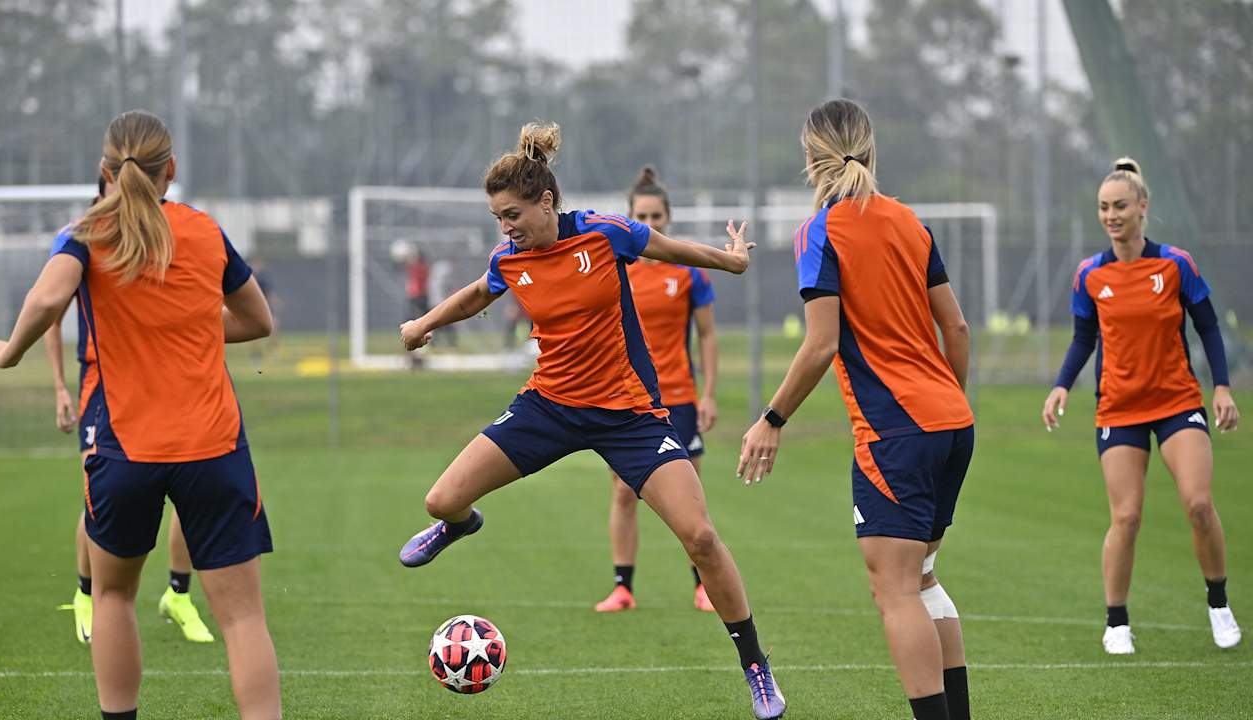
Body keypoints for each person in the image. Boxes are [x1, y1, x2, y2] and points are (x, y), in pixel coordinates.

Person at [397, 121, 785, 719]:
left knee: (702, 538)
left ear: (546, 202)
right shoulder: (510, 257)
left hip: (629, 415)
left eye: (512, 214)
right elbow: (479, 293)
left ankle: (756, 667)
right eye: (498, 217)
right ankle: (459, 526)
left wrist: (731, 263)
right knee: (440, 500)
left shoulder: (605, 234)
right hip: (548, 407)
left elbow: (674, 251)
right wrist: (424, 323)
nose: (505, 227)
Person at [0, 110, 280, 720]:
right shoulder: (203, 230)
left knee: (113, 596)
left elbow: (46, 296)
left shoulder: (87, 232)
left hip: (123, 451)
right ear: (171, 169)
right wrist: (193, 326)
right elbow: (257, 321)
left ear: (105, 171)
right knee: (244, 616)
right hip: (213, 448)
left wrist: (7, 352)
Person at [738, 99, 974, 720]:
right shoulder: (910, 221)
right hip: (952, 423)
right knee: (922, 580)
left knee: (893, 591)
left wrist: (772, 418)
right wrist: (949, 404)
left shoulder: (819, 232)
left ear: (810, 159)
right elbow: (958, 328)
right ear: (870, 150)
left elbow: (821, 343)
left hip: (896, 434)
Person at [1042, 157, 1241, 654]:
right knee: (1126, 517)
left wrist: (1221, 386)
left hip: (1177, 402)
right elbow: (1083, 337)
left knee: (1198, 504)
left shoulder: (1175, 263)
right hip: (1118, 408)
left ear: (1142, 207)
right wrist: (1062, 384)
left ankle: (1218, 603)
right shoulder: (1090, 274)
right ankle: (1116, 622)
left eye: (1120, 206)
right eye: (1104, 208)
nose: (1111, 215)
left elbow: (1209, 327)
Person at [47, 177, 214, 646]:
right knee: (101, 497)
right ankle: (88, 594)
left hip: (169, 389)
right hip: (102, 391)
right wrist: (60, 386)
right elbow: (49, 313)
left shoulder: (164, 238)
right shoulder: (82, 240)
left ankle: (178, 595)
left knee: (192, 491)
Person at [593, 166, 720, 614]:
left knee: (689, 497)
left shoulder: (688, 273)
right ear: (629, 218)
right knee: (624, 492)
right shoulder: (614, 267)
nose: (649, 224)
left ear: (668, 219)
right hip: (627, 399)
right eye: (640, 216)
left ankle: (702, 585)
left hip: (679, 398)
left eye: (656, 216)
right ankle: (622, 588)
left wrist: (709, 394)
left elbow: (706, 335)